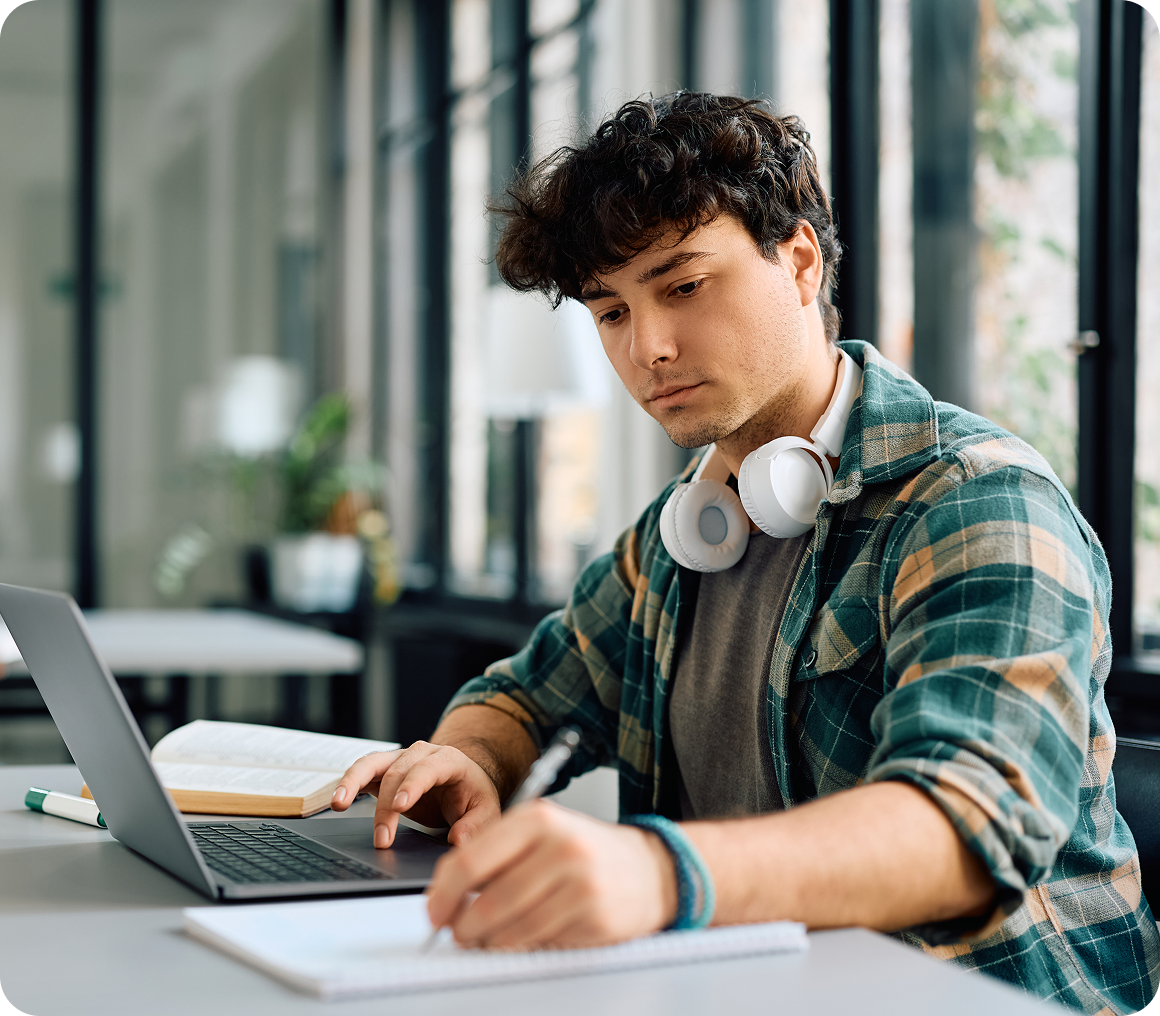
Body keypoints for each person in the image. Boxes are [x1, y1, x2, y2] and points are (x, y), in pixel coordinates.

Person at [331, 93, 1159, 1013]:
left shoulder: (976, 502)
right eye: (611, 312)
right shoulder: (681, 532)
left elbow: (968, 825)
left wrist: (659, 873)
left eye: (683, 286)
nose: (649, 348)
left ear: (800, 260)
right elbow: (523, 694)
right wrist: (469, 761)